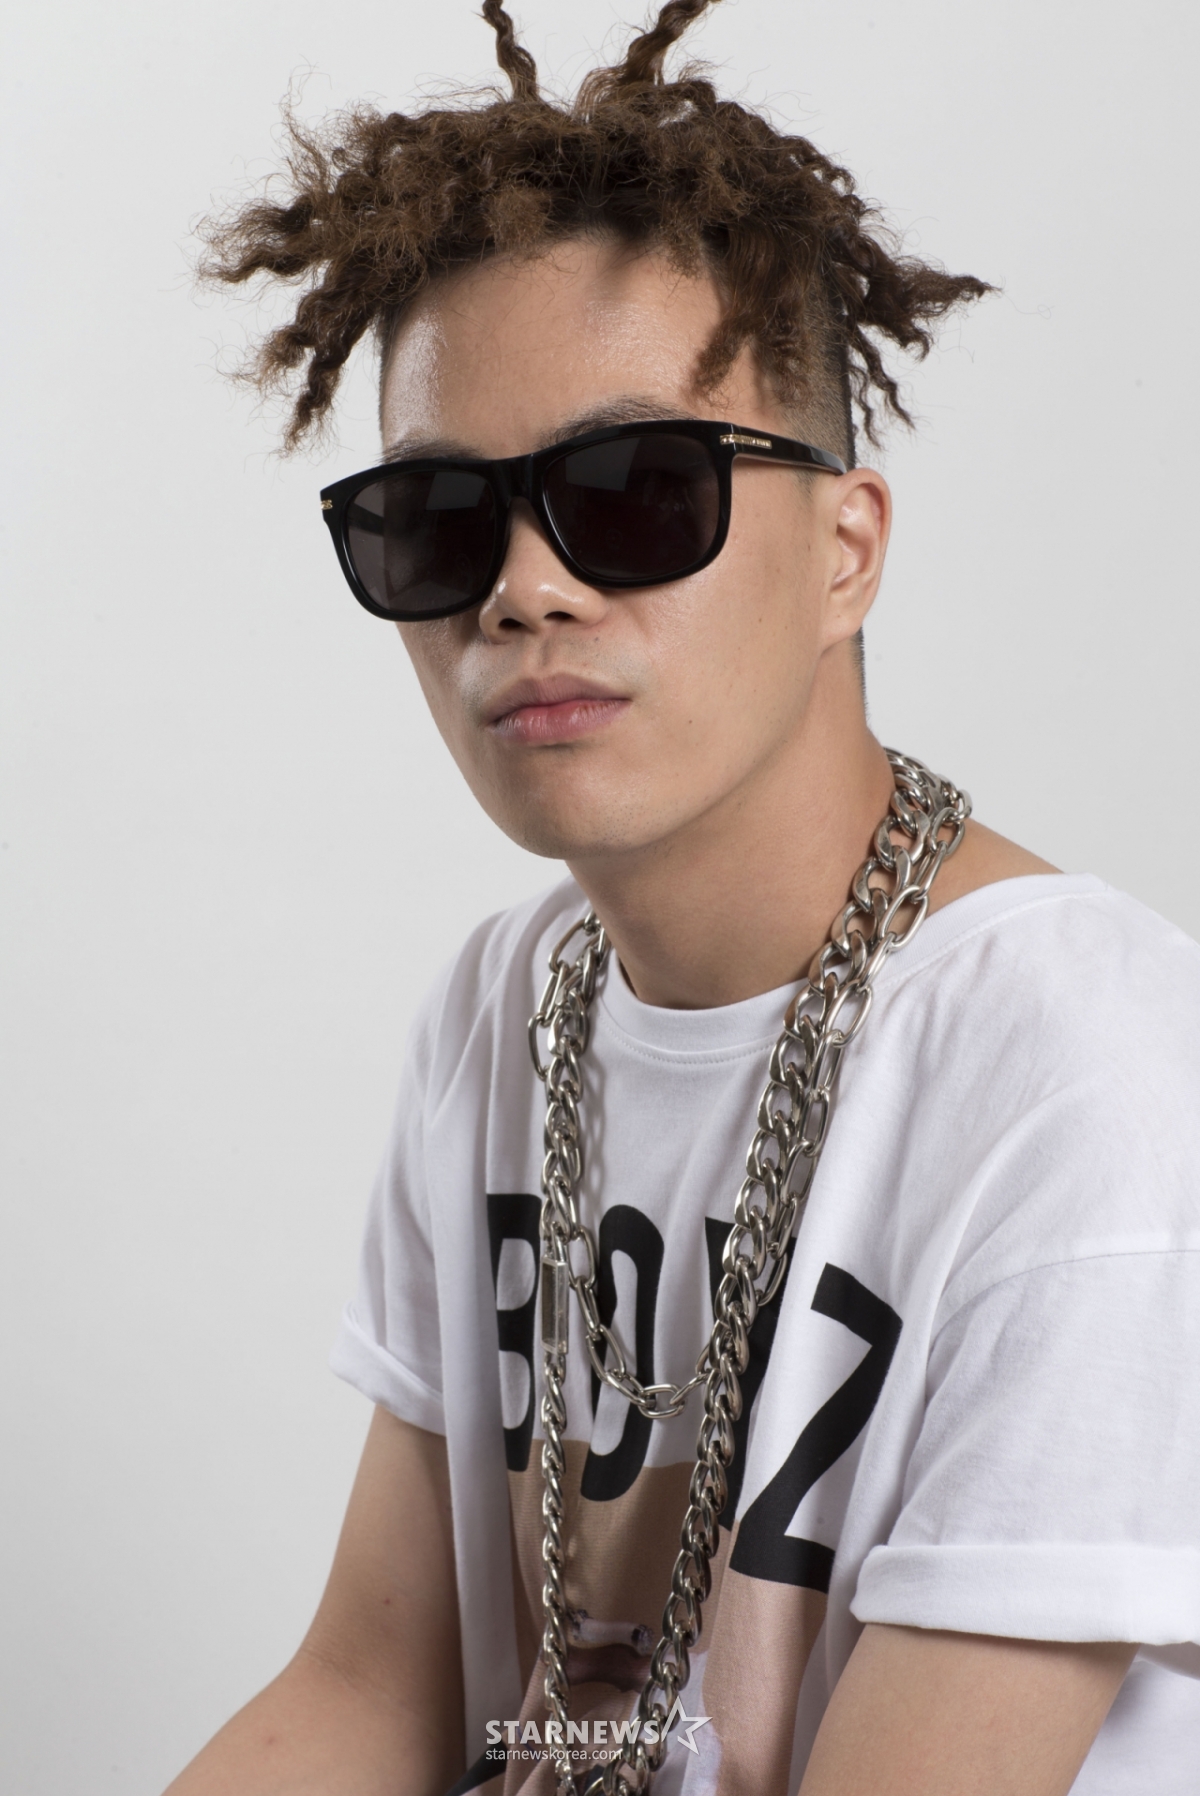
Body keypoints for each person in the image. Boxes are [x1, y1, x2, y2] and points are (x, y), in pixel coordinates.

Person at [167, 3, 1200, 1792]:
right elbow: (371, 1688)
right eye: (435, 519)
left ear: (846, 551)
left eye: (637, 494)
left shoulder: (1089, 1062)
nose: (524, 591)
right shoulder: (509, 1007)